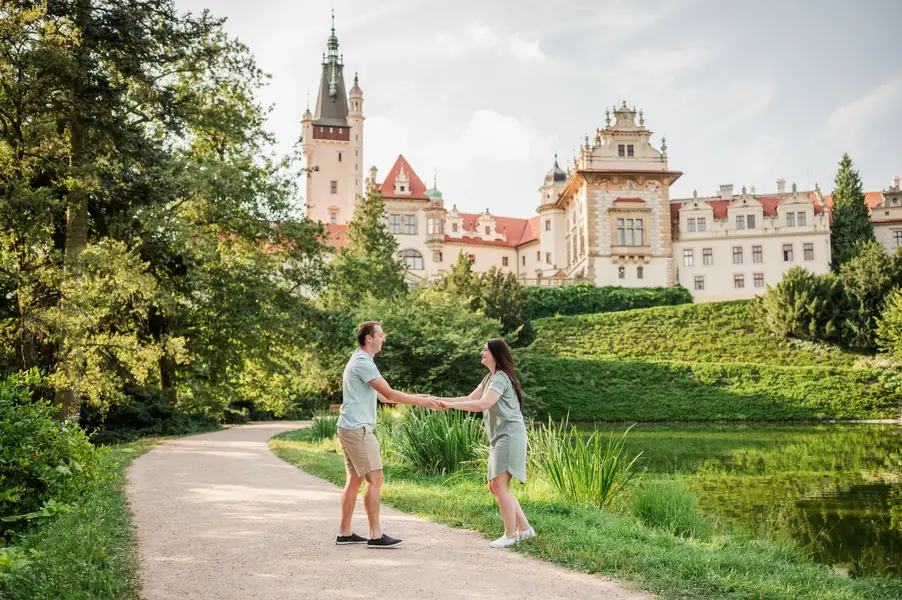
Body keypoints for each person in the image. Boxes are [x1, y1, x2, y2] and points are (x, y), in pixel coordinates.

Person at [336, 321, 440, 549]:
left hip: (349, 427)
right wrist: (422, 402)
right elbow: (389, 392)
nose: (384, 339)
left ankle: (345, 533)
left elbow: (384, 397)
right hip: (358, 429)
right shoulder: (363, 362)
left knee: (354, 480)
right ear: (368, 338)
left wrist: (416, 398)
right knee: (376, 479)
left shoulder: (361, 360)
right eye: (380, 335)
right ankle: (375, 535)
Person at [433, 339, 535, 548]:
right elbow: (470, 397)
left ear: (496, 355)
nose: (482, 352)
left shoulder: (500, 379)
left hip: (509, 435)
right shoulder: (490, 377)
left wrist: (448, 405)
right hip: (501, 436)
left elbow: (483, 404)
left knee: (499, 485)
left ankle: (510, 535)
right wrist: (444, 402)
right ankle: (524, 529)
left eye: (485, 350)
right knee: (494, 485)